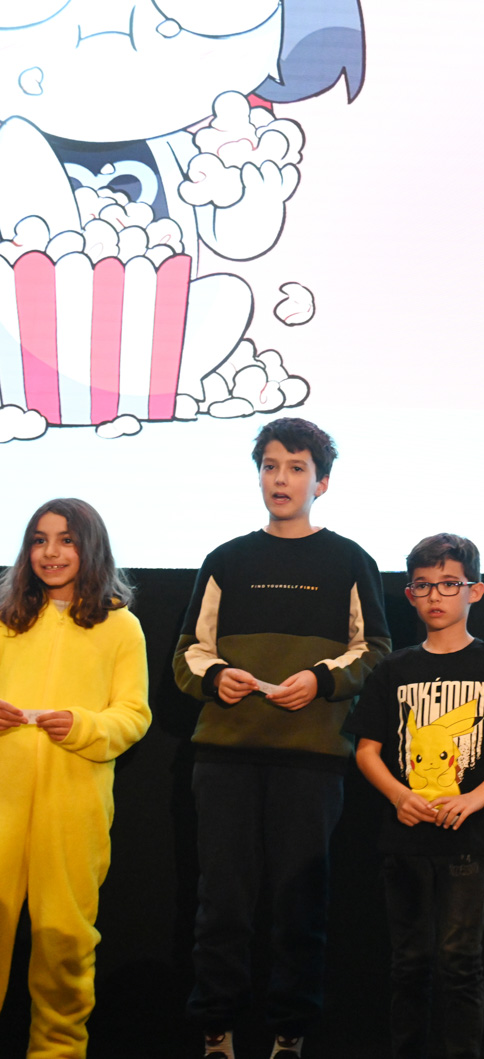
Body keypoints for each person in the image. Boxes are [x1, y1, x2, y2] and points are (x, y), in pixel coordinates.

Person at [172, 417, 392, 1059]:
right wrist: (218, 677)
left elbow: (376, 650)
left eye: (297, 468)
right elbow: (187, 654)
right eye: (271, 466)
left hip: (310, 762)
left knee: (301, 905)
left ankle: (289, 1032)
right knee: (222, 903)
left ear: (321, 483)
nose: (281, 479)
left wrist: (320, 680)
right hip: (225, 758)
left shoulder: (350, 560)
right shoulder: (226, 560)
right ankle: (216, 1029)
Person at [345, 533, 484, 1059]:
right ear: (410, 594)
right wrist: (397, 795)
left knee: (460, 961)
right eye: (423, 585)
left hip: (467, 841)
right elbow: (367, 750)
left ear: (475, 591)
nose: (436, 595)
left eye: (449, 584)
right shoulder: (394, 669)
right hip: (405, 839)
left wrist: (474, 799)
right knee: (409, 962)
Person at [0, 498, 150, 1058]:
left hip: (73, 808)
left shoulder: (120, 627)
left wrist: (83, 725)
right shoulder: (7, 619)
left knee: (64, 941)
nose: (51, 552)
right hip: (3, 802)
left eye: (66, 540)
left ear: (90, 548)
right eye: (39, 540)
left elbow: (133, 714)